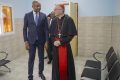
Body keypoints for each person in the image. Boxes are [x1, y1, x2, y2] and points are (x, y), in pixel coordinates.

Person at [50, 4, 77, 80]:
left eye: (56, 9)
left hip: (65, 47)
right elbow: (51, 34)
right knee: (56, 65)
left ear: (61, 10)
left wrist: (60, 42)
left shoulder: (69, 19)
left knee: (67, 66)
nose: (54, 10)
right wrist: (54, 42)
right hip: (56, 47)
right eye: (54, 9)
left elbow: (71, 35)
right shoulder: (54, 20)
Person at [23, 1, 48, 80]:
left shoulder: (44, 16)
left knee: (41, 59)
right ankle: (30, 75)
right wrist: (25, 41)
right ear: (33, 6)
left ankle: (41, 73)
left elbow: (46, 30)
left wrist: (47, 41)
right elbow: (24, 29)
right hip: (31, 41)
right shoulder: (27, 15)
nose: (39, 7)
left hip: (41, 41)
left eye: (40, 6)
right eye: (37, 6)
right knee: (31, 59)